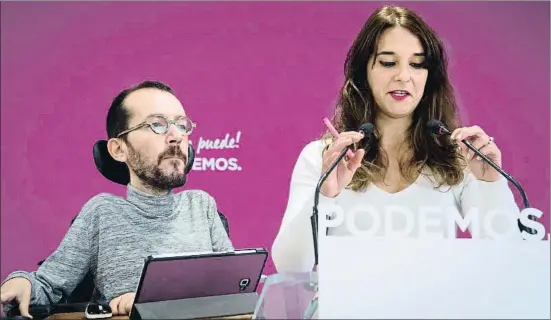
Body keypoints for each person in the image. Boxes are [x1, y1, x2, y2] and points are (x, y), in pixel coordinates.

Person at [271, 5, 522, 273]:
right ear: (363, 72)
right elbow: (291, 267)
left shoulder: (459, 157)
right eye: (388, 62)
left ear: (429, 76)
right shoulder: (323, 157)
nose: (404, 76)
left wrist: (489, 185)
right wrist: (325, 194)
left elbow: (509, 260)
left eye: (417, 64)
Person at [1, 80, 234, 317]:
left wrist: (146, 300)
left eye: (182, 126)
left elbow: (235, 290)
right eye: (157, 125)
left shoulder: (201, 206)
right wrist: (21, 282)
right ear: (118, 150)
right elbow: (46, 286)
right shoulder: (102, 212)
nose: (176, 136)